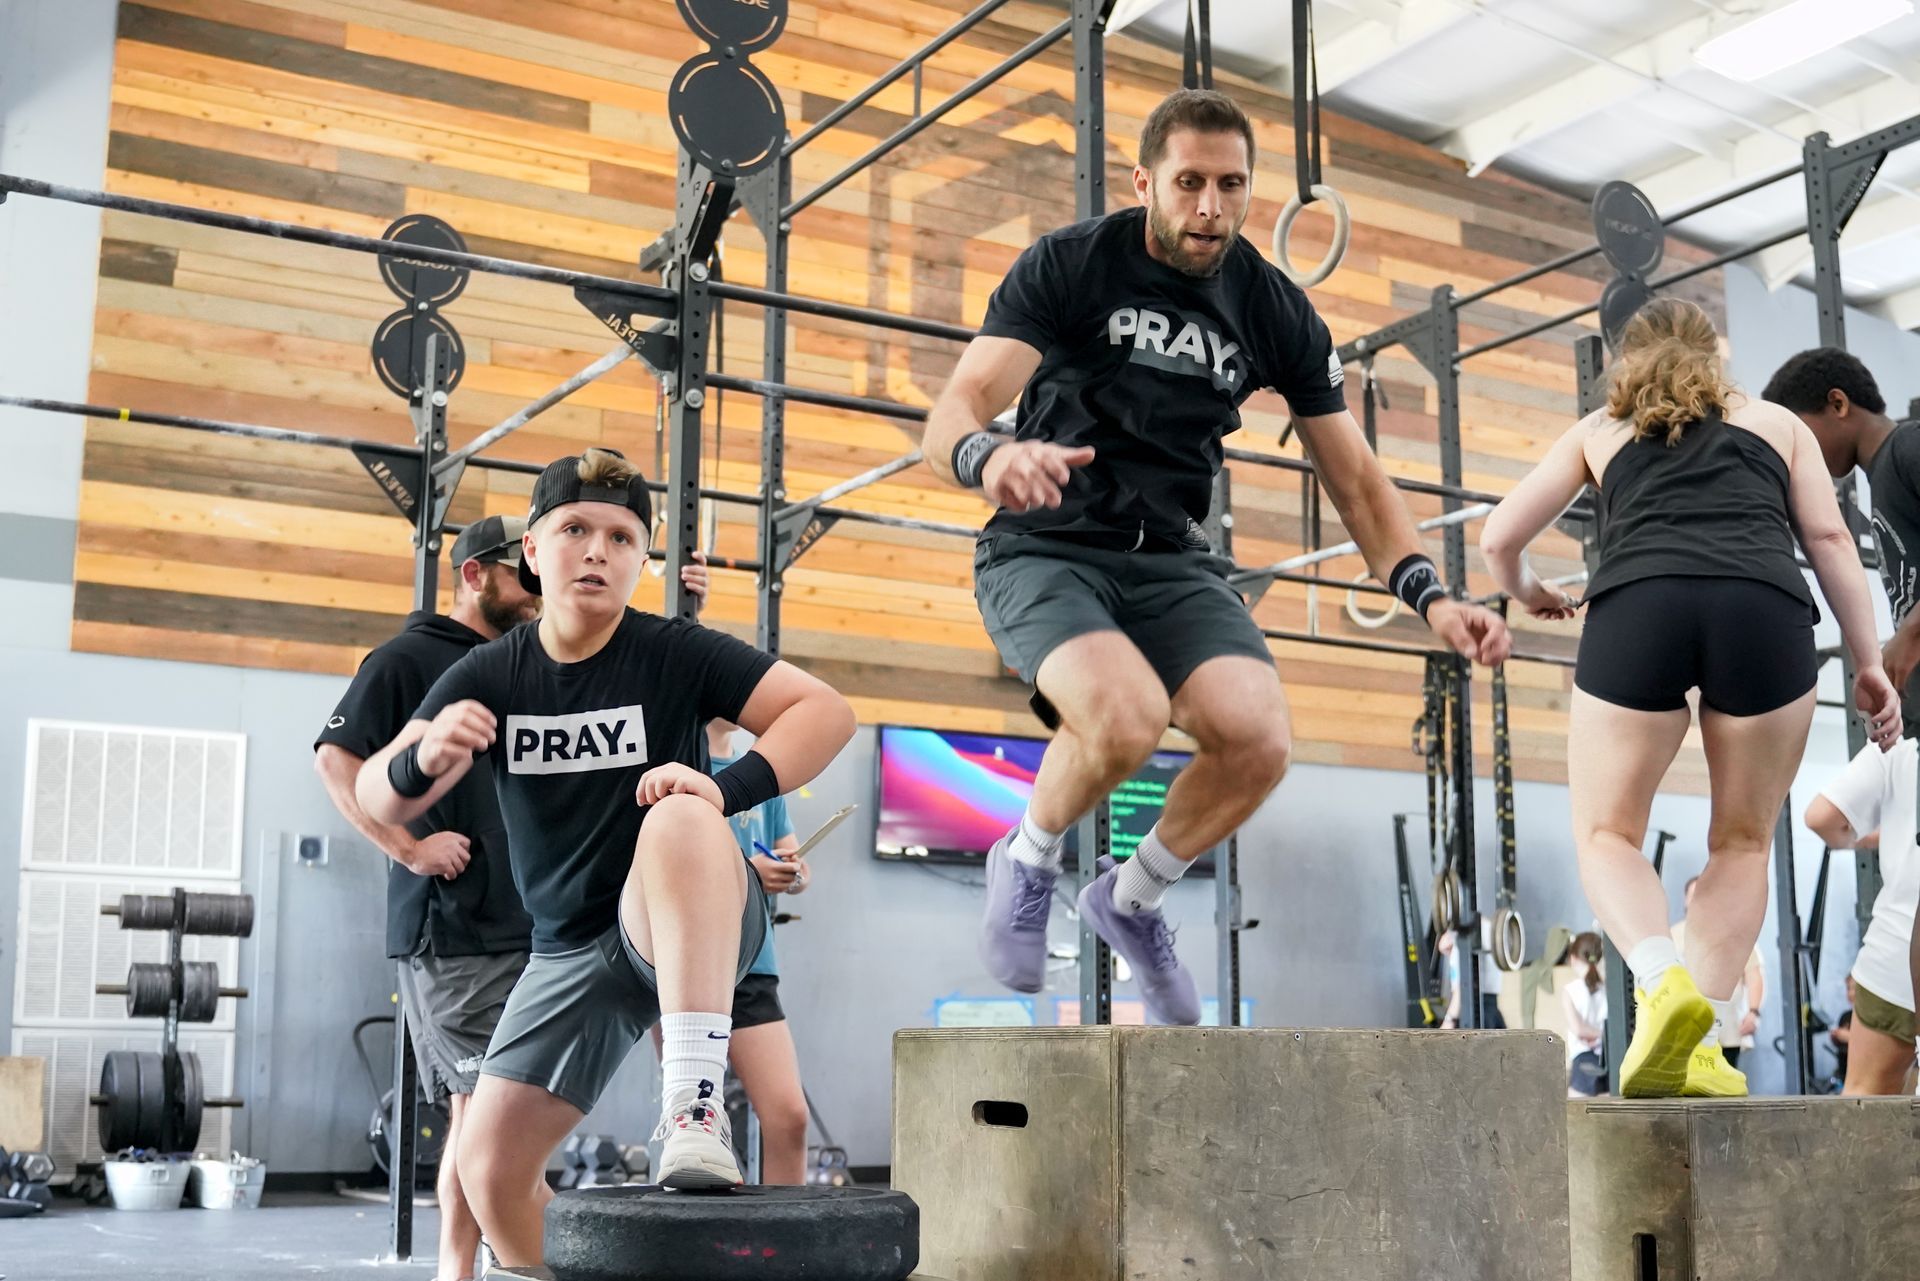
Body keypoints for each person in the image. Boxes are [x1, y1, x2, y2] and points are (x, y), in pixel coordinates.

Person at [922, 87, 1511, 1025]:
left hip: (1172, 559)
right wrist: (989, 453)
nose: (1209, 207)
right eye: (1188, 182)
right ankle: (1025, 857)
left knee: (1260, 739)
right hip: (1046, 546)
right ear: (1145, 179)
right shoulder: (1070, 266)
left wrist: (1434, 599)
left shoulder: (1272, 305)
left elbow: (1355, 480)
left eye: (1230, 186)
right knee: (1125, 721)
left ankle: (1133, 897)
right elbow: (953, 406)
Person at [354, 448, 856, 1269]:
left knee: (679, 812)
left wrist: (723, 788)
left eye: (622, 537)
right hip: (567, 949)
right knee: (488, 1171)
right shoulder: (489, 672)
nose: (597, 550)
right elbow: (378, 795)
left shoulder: (674, 651)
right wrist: (422, 756)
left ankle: (694, 1110)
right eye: (575, 529)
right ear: (532, 552)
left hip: (677, 918)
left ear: (642, 561)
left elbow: (824, 712)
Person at [1480, 297, 1900, 1099]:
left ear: (1621, 360)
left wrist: (1531, 593)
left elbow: (1500, 537)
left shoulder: (1600, 428)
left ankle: (1659, 978)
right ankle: (1702, 1033)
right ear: (1720, 354)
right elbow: (1831, 541)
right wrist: (1868, 660)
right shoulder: (1780, 423)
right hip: (1766, 607)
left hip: (1642, 600)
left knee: (1607, 831)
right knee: (1742, 842)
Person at [312, 514, 538, 1281]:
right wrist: (408, 849)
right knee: (485, 1114)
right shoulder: (408, 657)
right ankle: (459, 1270)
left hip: (528, 929)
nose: (541, 585)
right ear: (476, 574)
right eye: (524, 571)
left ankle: (477, 1267)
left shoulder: (521, 662)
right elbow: (336, 763)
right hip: (454, 931)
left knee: (507, 1117)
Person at [650, 718, 812, 1185]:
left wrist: (792, 874)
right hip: (686, 963)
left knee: (789, 1118)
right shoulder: (673, 770)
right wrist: (747, 871)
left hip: (754, 965)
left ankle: (787, 1245)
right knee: (691, 1123)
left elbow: (796, 864)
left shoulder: (763, 774)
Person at [1761, 350, 1920, 724]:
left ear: (1838, 404)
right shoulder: (1882, 477)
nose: (1794, 451)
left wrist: (1910, 632)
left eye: (1798, 432)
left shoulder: (1907, 446)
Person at [1805, 736, 1920, 1095]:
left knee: (1864, 1103)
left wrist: (1867, 839)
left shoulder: (1898, 738)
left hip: (1897, 952)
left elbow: (1821, 817)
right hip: (1897, 953)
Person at [1669, 876, 1765, 1068]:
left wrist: (1753, 1012)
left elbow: (1753, 975)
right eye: (1694, 894)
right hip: (1685, 1028)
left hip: (1727, 1028)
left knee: (1724, 1084)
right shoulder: (1673, 935)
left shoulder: (1735, 935)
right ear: (1685, 899)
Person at [1561, 931, 1608, 1097]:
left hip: (1583, 1060)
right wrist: (1605, 1036)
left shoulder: (1570, 990)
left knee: (1575, 1116)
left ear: (1573, 958)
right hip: (1610, 1057)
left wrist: (1594, 1035)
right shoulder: (1609, 988)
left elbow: (1578, 1029)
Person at [1436, 927, 1506, 1029]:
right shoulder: (1491, 929)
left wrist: (1449, 1020)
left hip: (1473, 1013)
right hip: (1492, 1011)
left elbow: (1461, 990)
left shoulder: (1462, 940)